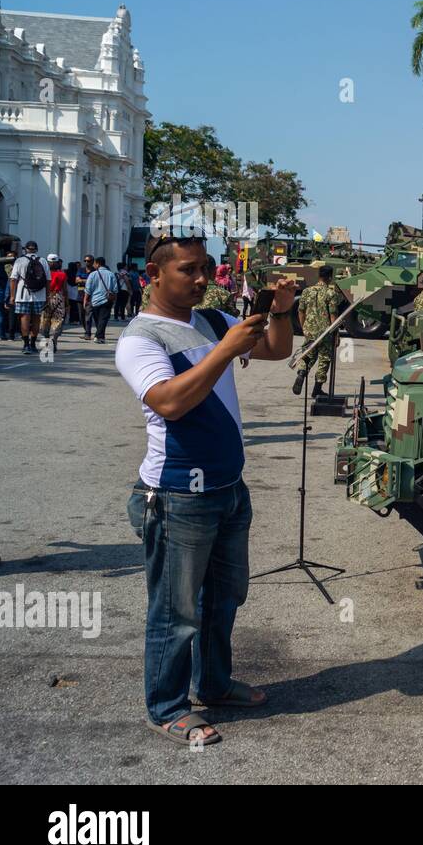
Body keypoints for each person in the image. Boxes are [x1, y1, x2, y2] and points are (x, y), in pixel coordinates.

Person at [116, 232, 295, 746]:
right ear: (155, 275)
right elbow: (170, 403)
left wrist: (280, 312)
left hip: (227, 487)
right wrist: (224, 351)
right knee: (177, 611)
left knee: (225, 598)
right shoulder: (139, 339)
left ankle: (214, 683)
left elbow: (277, 352)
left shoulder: (212, 320)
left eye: (205, 269)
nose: (201, 279)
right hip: (177, 495)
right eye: (188, 270)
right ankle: (167, 706)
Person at [293, 264, 344, 396]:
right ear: (330, 277)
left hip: (309, 330)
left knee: (308, 355)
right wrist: (336, 334)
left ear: (319, 276)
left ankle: (302, 373)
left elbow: (301, 311)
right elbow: (333, 315)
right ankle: (317, 389)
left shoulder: (307, 291)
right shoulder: (331, 293)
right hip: (325, 333)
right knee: (324, 359)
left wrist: (304, 327)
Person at [8, 241, 51, 355]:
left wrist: (12, 296)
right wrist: (47, 296)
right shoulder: (43, 261)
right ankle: (33, 344)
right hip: (39, 295)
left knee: (24, 319)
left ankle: (26, 345)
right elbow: (48, 280)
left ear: (25, 249)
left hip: (23, 296)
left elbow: (13, 279)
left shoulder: (20, 260)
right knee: (36, 320)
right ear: (36, 249)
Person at [38, 254, 68, 354]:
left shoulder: (44, 273)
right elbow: (65, 290)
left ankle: (47, 339)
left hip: (46, 297)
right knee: (57, 320)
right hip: (58, 297)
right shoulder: (62, 274)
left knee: (45, 320)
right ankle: (53, 339)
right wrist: (67, 304)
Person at [84, 256, 118, 343]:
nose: (93, 265)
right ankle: (100, 336)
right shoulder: (111, 274)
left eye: (94, 263)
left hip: (95, 300)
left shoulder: (92, 274)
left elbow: (88, 289)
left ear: (98, 264)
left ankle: (98, 336)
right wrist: (114, 299)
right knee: (103, 319)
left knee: (98, 319)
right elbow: (115, 289)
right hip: (107, 300)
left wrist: (85, 300)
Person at [77, 255, 94, 337]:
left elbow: (94, 282)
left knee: (88, 315)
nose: (87, 262)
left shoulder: (95, 271)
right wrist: (88, 281)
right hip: (80, 295)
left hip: (91, 296)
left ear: (92, 261)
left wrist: (82, 280)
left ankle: (88, 333)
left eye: (89, 261)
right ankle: (86, 330)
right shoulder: (81, 270)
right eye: (85, 261)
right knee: (81, 316)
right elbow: (77, 280)